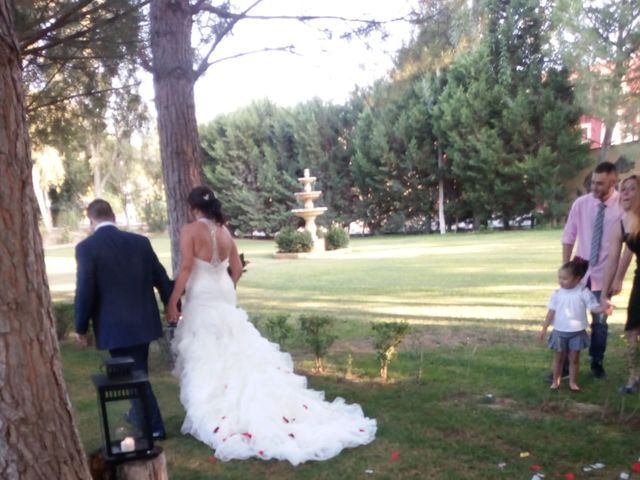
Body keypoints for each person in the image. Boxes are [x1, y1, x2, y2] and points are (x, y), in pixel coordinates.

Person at [165, 186, 376, 465]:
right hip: (223, 291)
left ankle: (214, 408)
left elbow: (186, 269)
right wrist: (227, 287)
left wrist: (172, 301)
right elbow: (237, 268)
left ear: (193, 207)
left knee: (207, 350)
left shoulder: (190, 231)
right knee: (236, 345)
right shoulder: (225, 232)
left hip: (203, 294)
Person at [74, 199, 173, 440]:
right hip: (143, 321)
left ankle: (154, 426)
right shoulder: (140, 242)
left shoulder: (87, 247)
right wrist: (172, 305)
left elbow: (85, 290)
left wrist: (81, 327)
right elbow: (160, 278)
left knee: (134, 376)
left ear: (91, 220)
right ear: (114, 216)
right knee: (137, 371)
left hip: (114, 325)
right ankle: (137, 414)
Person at [561, 161, 623, 379]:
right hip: (580, 270)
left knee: (600, 323)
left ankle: (597, 363)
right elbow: (569, 236)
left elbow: (626, 247)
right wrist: (566, 269)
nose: (594, 187)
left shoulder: (622, 207)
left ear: (613, 182)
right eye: (593, 182)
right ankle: (566, 367)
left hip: (605, 274)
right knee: (570, 321)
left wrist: (618, 278)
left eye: (600, 184)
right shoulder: (581, 204)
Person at [540, 259, 607, 391]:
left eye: (565, 278)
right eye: (559, 277)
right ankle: (555, 381)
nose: (561, 281)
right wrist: (544, 328)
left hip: (577, 332)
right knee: (558, 359)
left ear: (577, 279)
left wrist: (604, 308)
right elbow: (551, 312)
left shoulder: (583, 292)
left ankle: (573, 382)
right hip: (560, 331)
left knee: (574, 359)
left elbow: (593, 307)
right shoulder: (557, 294)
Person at [601, 175, 640, 393]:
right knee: (632, 329)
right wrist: (604, 294)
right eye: (623, 189)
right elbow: (612, 261)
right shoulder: (622, 224)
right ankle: (634, 377)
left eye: (632, 189)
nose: (625, 193)